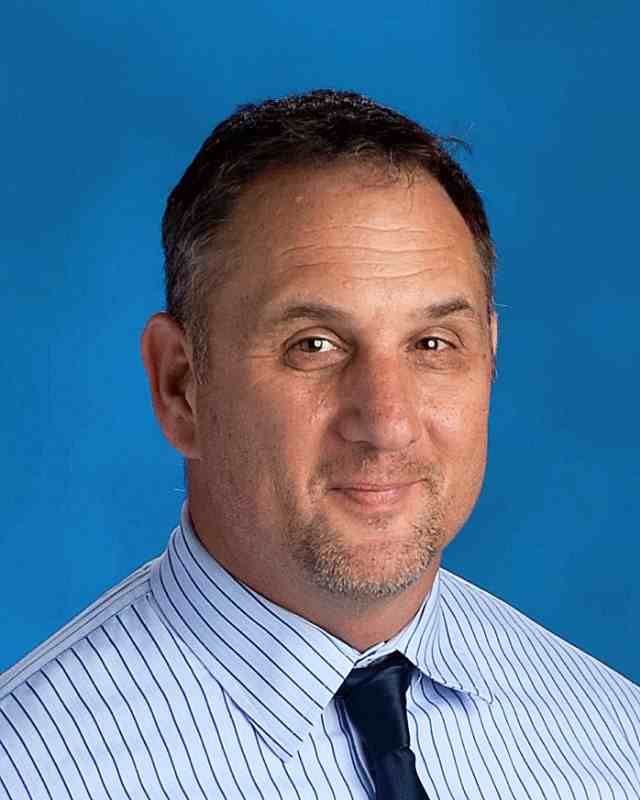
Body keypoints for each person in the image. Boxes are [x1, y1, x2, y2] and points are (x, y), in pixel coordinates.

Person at [1, 89, 638, 800]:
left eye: (433, 344)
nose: (387, 422)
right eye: (314, 345)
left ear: (489, 356)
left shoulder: (615, 740)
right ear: (181, 386)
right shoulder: (27, 770)